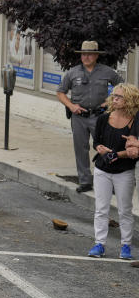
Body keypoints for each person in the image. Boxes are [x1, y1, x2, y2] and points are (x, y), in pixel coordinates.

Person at [57, 40, 123, 193]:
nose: (86, 57)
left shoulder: (107, 72)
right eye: (83, 54)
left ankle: (110, 181)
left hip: (100, 117)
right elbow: (60, 92)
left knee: (105, 147)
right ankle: (85, 181)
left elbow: (122, 87)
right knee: (81, 148)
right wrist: (71, 106)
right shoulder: (72, 72)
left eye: (90, 54)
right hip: (79, 117)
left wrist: (110, 103)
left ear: (96, 56)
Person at [86, 84, 139, 260]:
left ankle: (125, 246)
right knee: (101, 209)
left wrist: (118, 154)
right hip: (102, 169)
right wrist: (99, 148)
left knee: (125, 210)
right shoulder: (103, 118)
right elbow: (96, 142)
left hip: (124, 171)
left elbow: (135, 150)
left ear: (129, 100)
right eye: (114, 95)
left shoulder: (135, 121)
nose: (114, 99)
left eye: (119, 96)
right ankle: (99, 243)